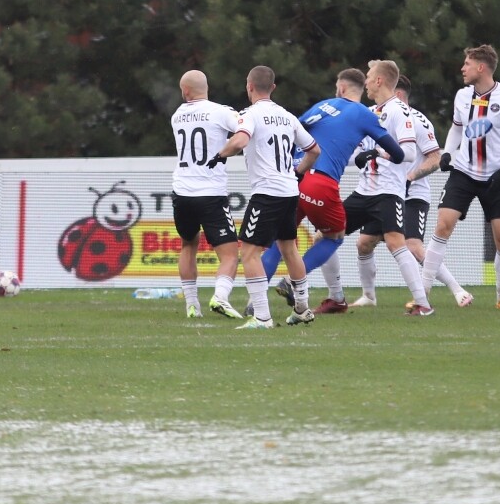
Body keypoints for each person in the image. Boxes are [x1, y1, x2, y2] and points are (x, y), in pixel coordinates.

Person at [266, 68, 404, 314]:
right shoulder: (364, 114)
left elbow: (292, 131)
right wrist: (377, 153)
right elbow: (399, 153)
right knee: (334, 236)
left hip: (291, 177)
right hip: (319, 182)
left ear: (340, 88)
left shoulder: (323, 105)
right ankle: (292, 281)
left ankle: (253, 302)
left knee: (281, 238)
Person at [207, 66, 320, 329]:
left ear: (249, 87)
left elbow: (240, 141)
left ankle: (262, 317)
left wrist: (220, 155)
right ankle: (302, 308)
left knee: (248, 252)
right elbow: (314, 150)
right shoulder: (287, 116)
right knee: (289, 248)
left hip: (267, 192)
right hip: (290, 190)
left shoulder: (250, 114)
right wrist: (298, 172)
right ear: (273, 88)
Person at [423, 45, 500, 310]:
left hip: (496, 177)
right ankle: (421, 295)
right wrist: (448, 152)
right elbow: (457, 129)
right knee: (442, 226)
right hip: (463, 173)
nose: (462, 68)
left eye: (467, 64)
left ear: (481, 67)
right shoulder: (462, 95)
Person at [339, 61, 433, 314]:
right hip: (363, 191)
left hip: (389, 191)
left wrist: (375, 153)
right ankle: (335, 297)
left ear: (379, 81)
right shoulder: (369, 112)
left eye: (369, 77)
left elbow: (409, 153)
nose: (366, 82)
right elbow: (356, 152)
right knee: (328, 232)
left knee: (396, 243)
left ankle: (423, 304)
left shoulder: (399, 111)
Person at [168, 71, 243, 318]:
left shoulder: (177, 115)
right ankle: (220, 297)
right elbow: (243, 130)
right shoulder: (220, 111)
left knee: (188, 244)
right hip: (210, 192)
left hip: (182, 191)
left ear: (185, 91)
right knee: (230, 254)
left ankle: (192, 304)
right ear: (206, 87)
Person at [388, 75, 446, 309]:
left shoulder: (418, 120)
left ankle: (457, 290)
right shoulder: (383, 116)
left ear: (399, 95)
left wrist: (411, 178)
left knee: (413, 247)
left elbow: (436, 158)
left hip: (414, 194)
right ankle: (368, 296)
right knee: (364, 242)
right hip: (389, 192)